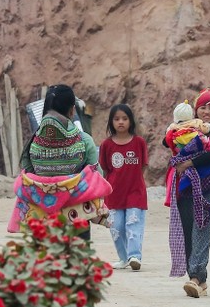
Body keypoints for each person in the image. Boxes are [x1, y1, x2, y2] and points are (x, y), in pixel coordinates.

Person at [13, 85, 108, 239]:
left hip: (43, 218)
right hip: (77, 217)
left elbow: (27, 175)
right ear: (72, 110)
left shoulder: (33, 142)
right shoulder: (85, 140)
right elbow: (97, 176)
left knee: (48, 261)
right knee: (77, 260)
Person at [165, 89, 210, 298]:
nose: (207, 112)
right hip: (185, 187)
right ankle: (200, 280)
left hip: (209, 187)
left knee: (201, 228)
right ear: (195, 109)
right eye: (203, 107)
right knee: (188, 230)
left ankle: (194, 277)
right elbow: (166, 142)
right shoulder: (185, 129)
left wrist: (189, 162)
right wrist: (176, 126)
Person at [99, 104, 148, 271]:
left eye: (124, 119)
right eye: (117, 119)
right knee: (116, 227)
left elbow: (143, 166)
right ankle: (123, 258)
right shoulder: (106, 145)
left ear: (131, 121)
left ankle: (135, 256)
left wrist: (133, 180)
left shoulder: (139, 142)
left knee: (133, 224)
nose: (121, 122)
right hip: (113, 194)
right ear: (111, 122)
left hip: (135, 192)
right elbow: (106, 169)